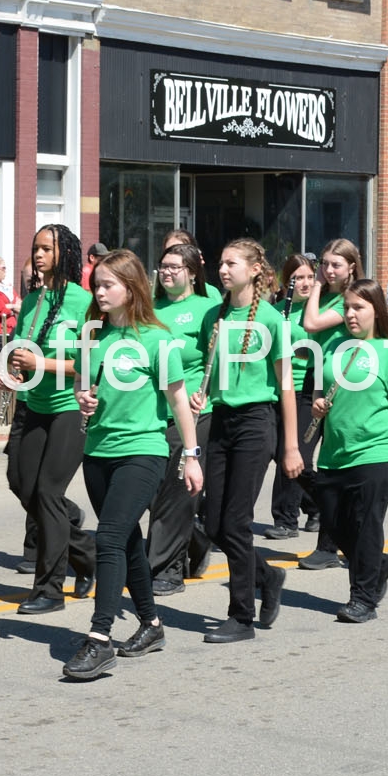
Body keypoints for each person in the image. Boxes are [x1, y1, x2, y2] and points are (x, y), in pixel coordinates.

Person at [61, 249, 203, 681]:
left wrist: (192, 455)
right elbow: (82, 385)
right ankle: (151, 624)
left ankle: (99, 637)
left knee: (107, 537)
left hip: (143, 450)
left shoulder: (158, 340)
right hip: (98, 452)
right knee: (125, 541)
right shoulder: (93, 337)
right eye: (96, 285)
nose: (99, 292)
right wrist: (83, 397)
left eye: (108, 285)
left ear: (132, 287)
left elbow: (178, 400)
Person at [196, 238, 301, 644]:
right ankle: (267, 576)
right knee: (214, 523)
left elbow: (286, 384)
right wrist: (198, 394)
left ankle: (242, 617)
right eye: (221, 263)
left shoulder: (271, 320)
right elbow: (203, 369)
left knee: (236, 522)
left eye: (232, 263)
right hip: (221, 421)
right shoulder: (214, 316)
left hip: (257, 423)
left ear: (255, 269)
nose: (223, 270)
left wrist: (290, 446)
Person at [311, 279, 388, 623]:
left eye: (358, 307)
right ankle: (379, 564)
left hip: (375, 452)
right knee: (333, 524)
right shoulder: (334, 348)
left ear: (376, 311)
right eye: (346, 307)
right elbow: (321, 391)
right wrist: (318, 404)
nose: (350, 314)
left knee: (365, 526)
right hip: (333, 453)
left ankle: (363, 599)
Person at [4, 224, 96, 615]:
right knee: (22, 484)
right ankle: (86, 552)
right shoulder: (31, 300)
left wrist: (40, 363)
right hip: (34, 405)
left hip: (70, 406)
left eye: (47, 248)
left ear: (66, 254)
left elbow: (91, 363)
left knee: (47, 492)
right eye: (36, 247)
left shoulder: (83, 301)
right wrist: (12, 367)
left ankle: (49, 589)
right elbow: (22, 350)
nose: (38, 254)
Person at [290, 237, 361, 569]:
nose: (328, 270)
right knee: (296, 458)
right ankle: (336, 512)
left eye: (336, 265)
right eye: (325, 264)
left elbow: (312, 323)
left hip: (344, 383)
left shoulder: (351, 297)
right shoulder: (324, 296)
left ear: (351, 267)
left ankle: (328, 547)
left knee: (333, 464)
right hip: (314, 379)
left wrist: (316, 284)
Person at [146, 242, 212, 597]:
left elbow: (221, 359)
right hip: (151, 412)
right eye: (164, 266)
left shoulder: (206, 308)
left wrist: (207, 392)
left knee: (175, 492)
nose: (167, 272)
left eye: (175, 267)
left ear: (192, 272)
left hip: (192, 413)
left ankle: (168, 569)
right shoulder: (149, 308)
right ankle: (196, 540)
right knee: (152, 490)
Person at [267, 253, 318, 545]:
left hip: (308, 389)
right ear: (287, 282)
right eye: (298, 278)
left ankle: (285, 519)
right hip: (278, 390)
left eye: (310, 277)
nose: (305, 283)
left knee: (297, 452)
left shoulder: (318, 311)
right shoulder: (274, 312)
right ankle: (317, 504)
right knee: (281, 453)